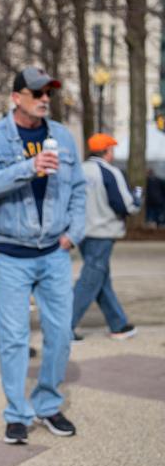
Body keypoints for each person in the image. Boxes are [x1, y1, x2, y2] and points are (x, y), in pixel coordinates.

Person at [0, 66, 86, 445]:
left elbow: (79, 189)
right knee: (14, 338)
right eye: (36, 93)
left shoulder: (63, 138)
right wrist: (28, 168)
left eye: (47, 93)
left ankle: (48, 403)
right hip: (10, 254)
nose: (44, 99)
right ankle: (17, 413)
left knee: (60, 334)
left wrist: (74, 233)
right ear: (16, 98)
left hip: (54, 252)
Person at [71, 133, 140, 340]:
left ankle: (118, 324)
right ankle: (64, 327)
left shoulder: (79, 171)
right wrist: (137, 198)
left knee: (100, 279)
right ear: (108, 151)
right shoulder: (110, 172)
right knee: (90, 281)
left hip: (82, 232)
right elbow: (125, 205)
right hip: (103, 232)